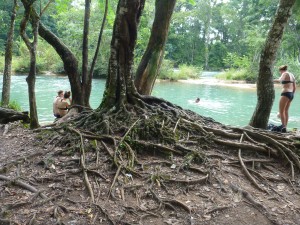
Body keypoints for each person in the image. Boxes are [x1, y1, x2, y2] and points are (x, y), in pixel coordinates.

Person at [273, 65, 296, 132]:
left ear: (281, 70)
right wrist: (291, 96)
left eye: (280, 71)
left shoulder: (285, 73)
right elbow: (294, 87)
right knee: (286, 111)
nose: (280, 73)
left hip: (285, 93)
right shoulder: (292, 75)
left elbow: (280, 80)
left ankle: (283, 127)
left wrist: (271, 80)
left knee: (281, 111)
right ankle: (285, 126)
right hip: (291, 94)